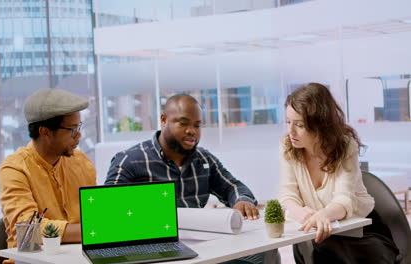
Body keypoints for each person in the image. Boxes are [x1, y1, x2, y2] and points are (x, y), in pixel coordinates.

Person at [105, 94, 275, 264]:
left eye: (197, 125)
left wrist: (242, 200)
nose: (191, 131)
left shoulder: (203, 159)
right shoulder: (129, 160)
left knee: (263, 253)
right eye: (183, 123)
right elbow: (108, 212)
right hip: (155, 251)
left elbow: (232, 186)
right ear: (164, 120)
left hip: (201, 248)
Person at [279, 83, 399, 263]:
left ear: (320, 124)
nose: (291, 131)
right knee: (314, 248)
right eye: (288, 122)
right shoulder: (288, 147)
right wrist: (300, 213)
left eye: (300, 125)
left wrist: (323, 215)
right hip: (318, 233)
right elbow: (288, 194)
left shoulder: (345, 146)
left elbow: (344, 199)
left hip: (360, 230)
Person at [0, 89, 96, 263]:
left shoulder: (81, 162)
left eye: (79, 127)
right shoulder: (14, 170)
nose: (79, 136)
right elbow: (29, 230)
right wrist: (92, 231)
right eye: (72, 130)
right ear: (45, 132)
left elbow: (95, 214)